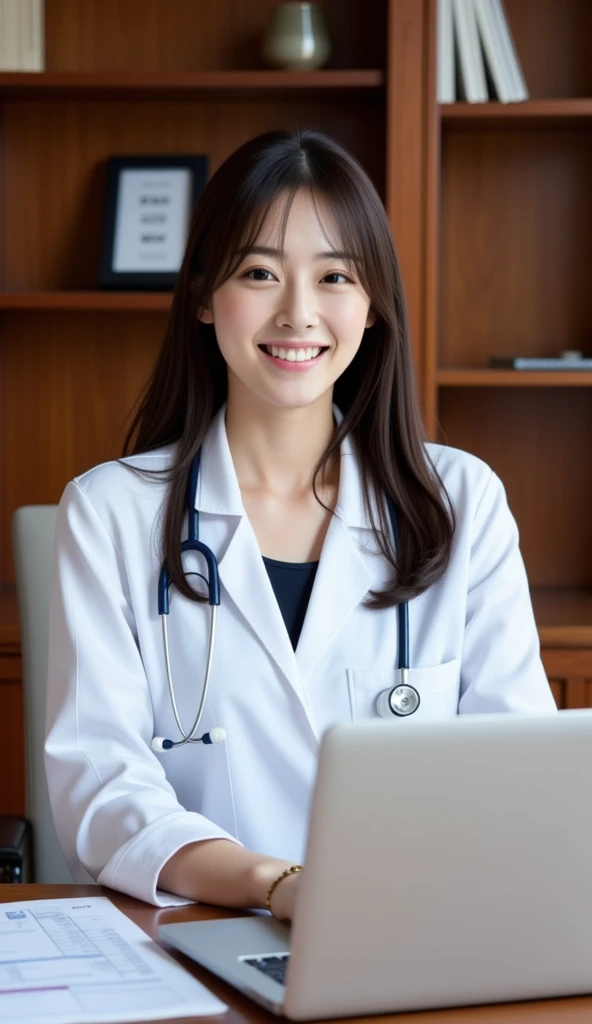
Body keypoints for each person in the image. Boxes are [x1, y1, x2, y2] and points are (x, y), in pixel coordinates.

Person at [45, 128, 555, 922]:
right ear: (204, 295)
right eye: (259, 272)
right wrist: (277, 886)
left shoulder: (459, 502)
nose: (298, 314)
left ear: (373, 305)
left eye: (334, 277)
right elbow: (103, 788)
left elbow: (519, 771)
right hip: (199, 936)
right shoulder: (111, 512)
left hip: (417, 928)